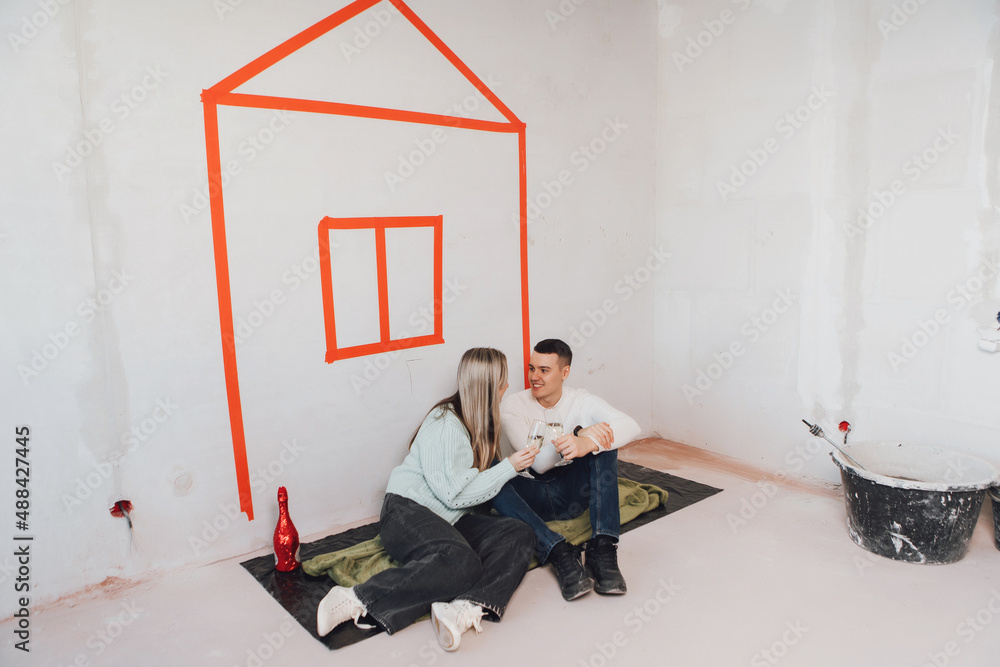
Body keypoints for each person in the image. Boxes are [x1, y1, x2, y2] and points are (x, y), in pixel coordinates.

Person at [316, 348, 537, 651]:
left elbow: (467, 493)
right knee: (462, 562)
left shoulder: (480, 423)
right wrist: (510, 467)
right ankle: (356, 597)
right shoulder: (446, 422)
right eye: (502, 382)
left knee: (519, 532)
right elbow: (454, 494)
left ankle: (465, 607)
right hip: (406, 511)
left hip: (450, 518)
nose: (506, 388)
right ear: (487, 388)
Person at [492, 339, 640, 601]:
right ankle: (558, 551)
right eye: (531, 368)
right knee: (491, 470)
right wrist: (578, 434)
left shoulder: (580, 399)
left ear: (565, 372)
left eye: (544, 370)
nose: (534, 377)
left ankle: (603, 548)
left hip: (571, 492)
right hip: (529, 495)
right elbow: (537, 463)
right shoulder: (512, 406)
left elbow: (630, 425)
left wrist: (587, 442)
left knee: (604, 444)